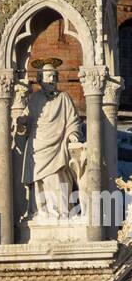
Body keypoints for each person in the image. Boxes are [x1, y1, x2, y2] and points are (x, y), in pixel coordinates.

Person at [13, 61, 84, 220]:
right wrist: (22, 122)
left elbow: (73, 121)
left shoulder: (63, 98)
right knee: (39, 181)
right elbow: (27, 119)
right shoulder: (34, 99)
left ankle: (61, 213)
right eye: (48, 76)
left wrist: (73, 134)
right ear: (40, 79)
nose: (52, 79)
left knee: (57, 179)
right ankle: (41, 212)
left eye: (54, 76)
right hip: (38, 146)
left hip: (58, 146)